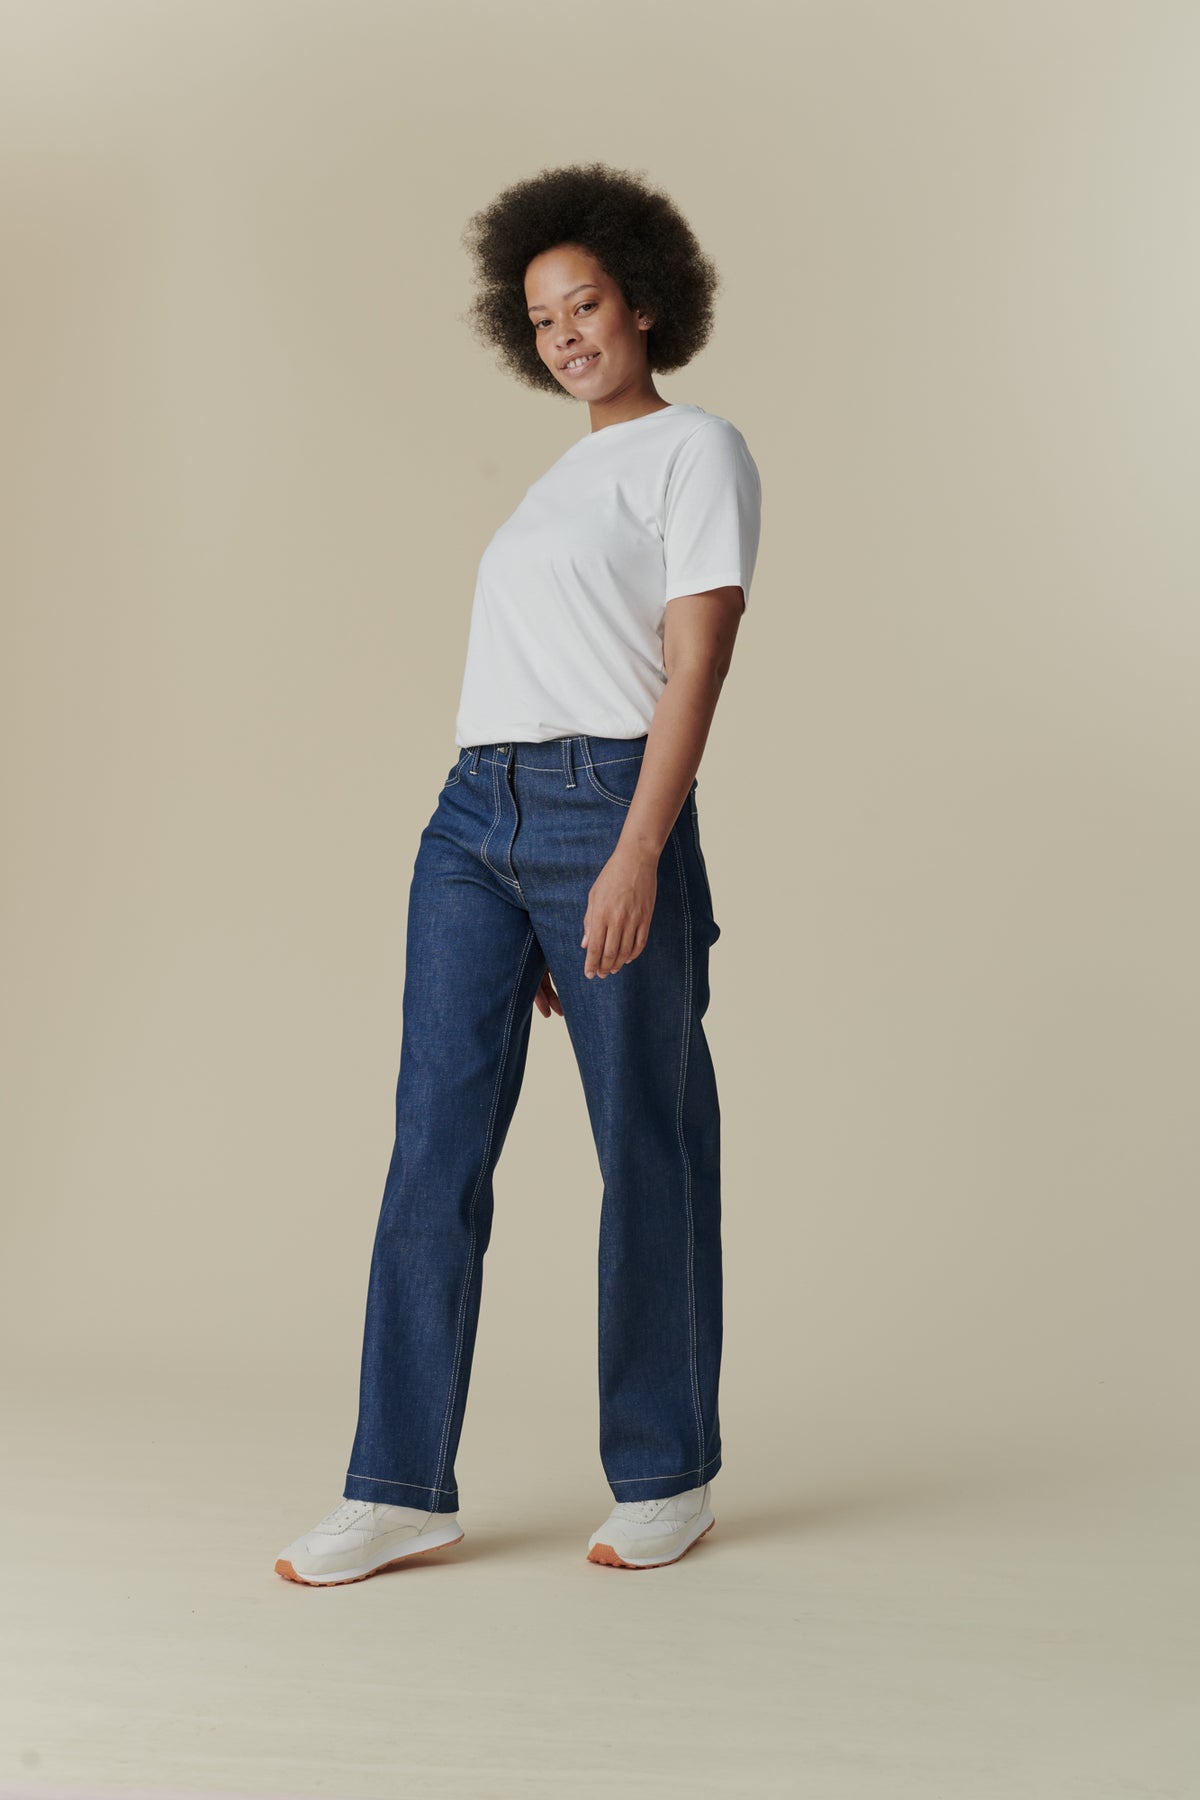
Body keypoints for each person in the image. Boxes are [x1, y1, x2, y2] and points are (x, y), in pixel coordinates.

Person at [275, 161, 762, 1586]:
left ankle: (667, 1472)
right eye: (542, 316)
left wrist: (632, 853)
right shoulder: (562, 475)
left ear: (646, 300)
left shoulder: (698, 450)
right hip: (472, 820)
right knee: (433, 1144)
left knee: (648, 1145)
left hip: (606, 801)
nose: (565, 333)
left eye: (588, 304)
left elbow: (697, 663)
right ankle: (399, 1484)